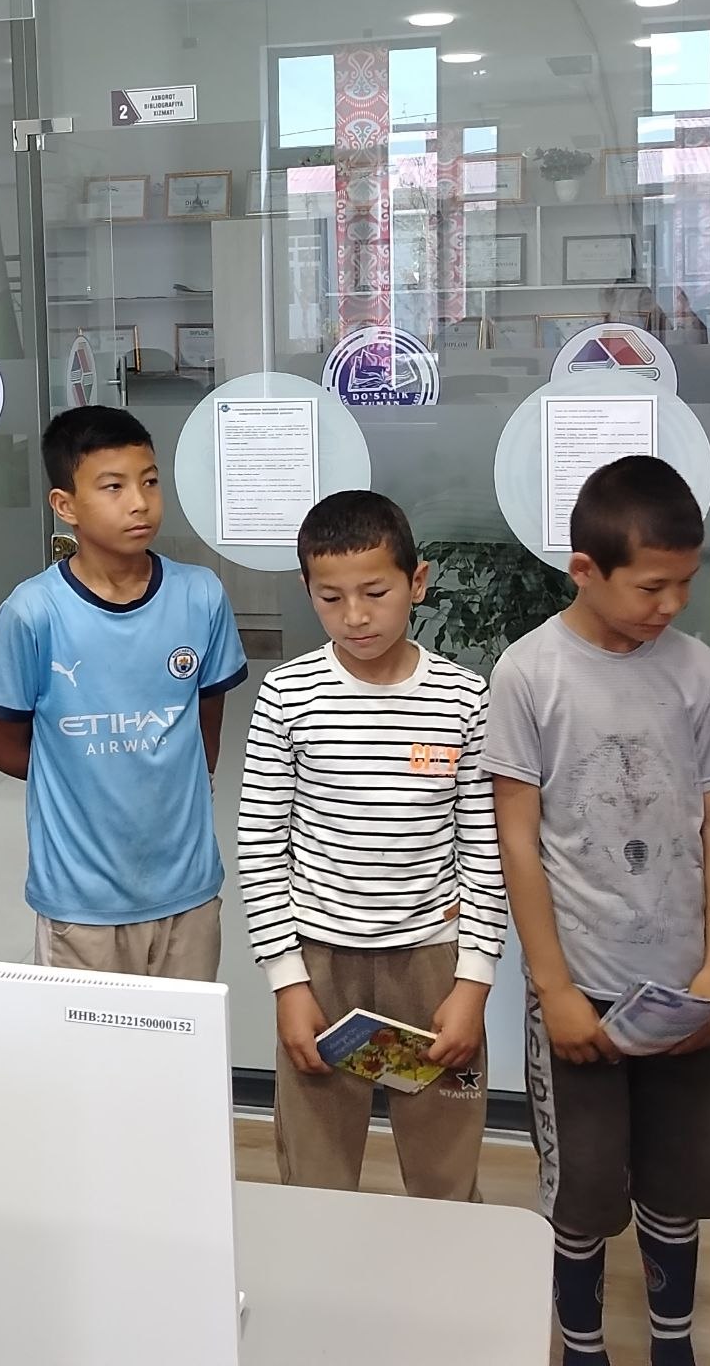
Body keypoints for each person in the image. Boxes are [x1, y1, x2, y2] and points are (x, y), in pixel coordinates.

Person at [488, 454, 710, 1366]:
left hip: (681, 991)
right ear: (586, 570)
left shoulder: (697, 671)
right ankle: (584, 1347)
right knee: (584, 1191)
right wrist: (554, 989)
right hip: (582, 988)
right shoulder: (529, 674)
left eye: (686, 582)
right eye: (651, 586)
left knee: (679, 1184)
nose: (671, 604)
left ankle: (673, 1344)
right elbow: (516, 837)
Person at [236, 490, 507, 1199]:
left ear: (416, 582)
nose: (354, 616)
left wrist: (474, 981)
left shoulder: (463, 698)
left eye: (375, 593)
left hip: (433, 962)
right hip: (319, 960)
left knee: (446, 1170)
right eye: (330, 598)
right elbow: (260, 843)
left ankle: (447, 1272)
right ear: (309, 591)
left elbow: (485, 848)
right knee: (316, 1174)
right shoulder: (288, 694)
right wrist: (287, 981)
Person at [0, 405, 247, 977]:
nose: (139, 502)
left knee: (184, 1030)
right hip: (81, 897)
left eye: (149, 482)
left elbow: (207, 729)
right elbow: (5, 747)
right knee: (89, 1037)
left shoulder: (200, 596)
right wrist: (90, 778)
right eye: (113, 487)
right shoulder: (33, 613)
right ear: (65, 506)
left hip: (187, 885)